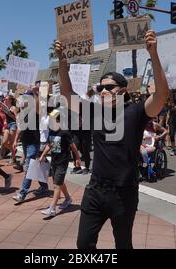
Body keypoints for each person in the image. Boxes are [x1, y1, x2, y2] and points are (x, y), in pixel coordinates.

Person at [54, 29, 169, 249]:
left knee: (123, 245)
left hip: (123, 193)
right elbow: (67, 95)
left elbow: (162, 95)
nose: (103, 91)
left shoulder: (135, 112)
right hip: (95, 190)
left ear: (123, 91)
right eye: (100, 88)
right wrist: (62, 61)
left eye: (109, 87)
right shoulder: (95, 112)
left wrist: (153, 54)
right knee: (84, 244)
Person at [38, 109, 81, 217]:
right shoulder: (52, 131)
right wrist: (42, 155)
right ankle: (68, 199)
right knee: (59, 183)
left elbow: (73, 146)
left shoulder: (64, 132)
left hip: (63, 161)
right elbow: (49, 144)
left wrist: (77, 158)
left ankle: (52, 209)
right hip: (54, 160)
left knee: (56, 184)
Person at [12, 89, 49, 203]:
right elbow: (20, 127)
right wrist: (15, 140)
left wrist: (35, 93)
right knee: (34, 166)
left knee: (28, 168)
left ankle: (22, 193)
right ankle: (44, 186)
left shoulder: (35, 109)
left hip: (34, 142)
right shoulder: (23, 111)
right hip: (25, 141)